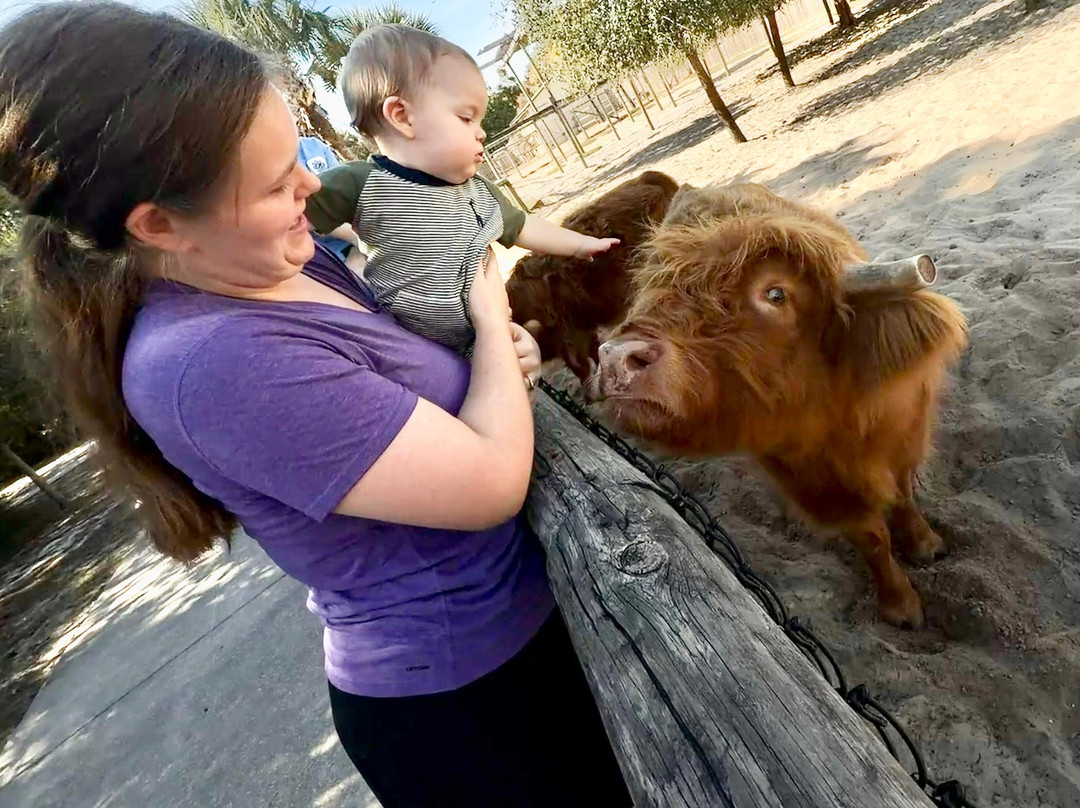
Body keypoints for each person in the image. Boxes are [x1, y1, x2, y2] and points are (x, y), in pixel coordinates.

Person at [0, 4, 632, 807]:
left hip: (528, 628)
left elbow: (434, 374)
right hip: (473, 699)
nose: (311, 181)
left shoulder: (283, 262)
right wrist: (488, 316)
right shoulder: (212, 363)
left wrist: (500, 360)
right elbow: (488, 480)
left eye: (294, 154)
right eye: (274, 182)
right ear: (158, 224)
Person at [306, 24, 619, 356]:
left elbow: (524, 226)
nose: (481, 132)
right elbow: (286, 216)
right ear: (402, 117)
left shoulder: (478, 192)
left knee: (525, 359)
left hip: (481, 342)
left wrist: (580, 244)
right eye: (467, 118)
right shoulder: (360, 184)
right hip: (411, 349)